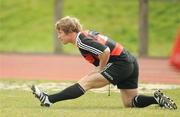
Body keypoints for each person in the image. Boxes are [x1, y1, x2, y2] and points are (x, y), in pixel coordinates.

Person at [31, 16, 177, 109]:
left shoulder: (81, 40)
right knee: (129, 102)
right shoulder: (85, 35)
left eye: (60, 32)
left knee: (85, 82)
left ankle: (49, 99)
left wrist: (101, 68)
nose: (58, 36)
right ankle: (157, 99)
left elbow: (105, 51)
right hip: (129, 60)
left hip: (121, 63)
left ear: (70, 32)